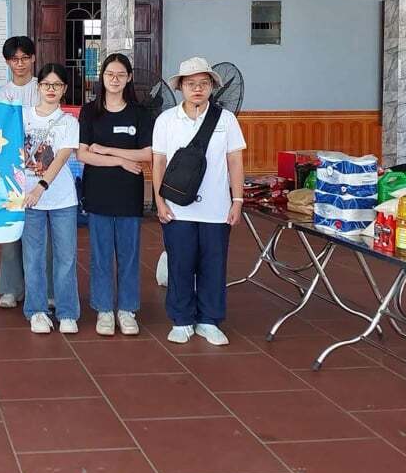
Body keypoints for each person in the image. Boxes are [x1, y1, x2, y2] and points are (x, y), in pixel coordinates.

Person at [152, 56, 246, 347]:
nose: (197, 89)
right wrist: (159, 201)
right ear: (180, 87)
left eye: (203, 84)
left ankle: (209, 320)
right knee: (180, 263)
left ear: (211, 87)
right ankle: (181, 319)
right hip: (178, 207)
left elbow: (235, 160)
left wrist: (237, 200)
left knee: (213, 265)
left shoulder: (226, 120)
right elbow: (158, 163)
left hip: (217, 208)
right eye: (191, 84)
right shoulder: (166, 120)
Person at [76, 53, 152, 337]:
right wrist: (120, 160)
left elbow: (146, 153)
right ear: (102, 77)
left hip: (129, 194)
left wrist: (107, 150)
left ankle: (127, 309)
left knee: (130, 254)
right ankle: (104, 309)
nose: (115, 79)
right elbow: (84, 154)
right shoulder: (90, 111)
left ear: (129, 78)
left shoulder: (140, 113)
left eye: (121, 74)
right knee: (101, 254)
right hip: (98, 192)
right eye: (110, 74)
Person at [20, 63, 81, 335]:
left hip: (61, 199)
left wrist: (40, 187)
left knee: (65, 258)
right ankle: (37, 311)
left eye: (57, 85)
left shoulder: (69, 122)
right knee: (33, 257)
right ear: (38, 86)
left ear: (64, 89)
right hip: (28, 199)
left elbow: (61, 157)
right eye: (46, 84)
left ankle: (67, 311)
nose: (51, 90)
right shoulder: (22, 117)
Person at [0, 35, 39, 309]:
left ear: (33, 58)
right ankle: (11, 288)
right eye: (14, 59)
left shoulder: (43, 87)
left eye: (24, 58)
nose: (19, 64)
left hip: (40, 170)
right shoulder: (2, 94)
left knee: (40, 234)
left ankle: (41, 289)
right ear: (8, 62)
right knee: (11, 232)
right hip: (10, 170)